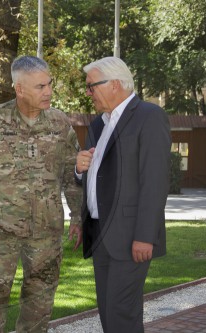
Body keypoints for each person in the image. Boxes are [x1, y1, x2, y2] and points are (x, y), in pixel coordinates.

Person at [0, 55, 83, 333]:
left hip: (46, 232)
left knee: (39, 307)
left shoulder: (60, 124)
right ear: (19, 88)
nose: (48, 91)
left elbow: (71, 172)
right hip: (1, 232)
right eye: (39, 87)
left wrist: (78, 215)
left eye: (49, 84)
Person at [75, 56, 171, 333]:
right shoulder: (98, 124)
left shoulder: (149, 117)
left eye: (91, 86)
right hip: (100, 234)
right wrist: (79, 169)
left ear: (115, 84)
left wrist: (145, 236)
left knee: (121, 313)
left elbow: (154, 181)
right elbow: (98, 178)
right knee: (108, 310)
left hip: (131, 236)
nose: (88, 92)